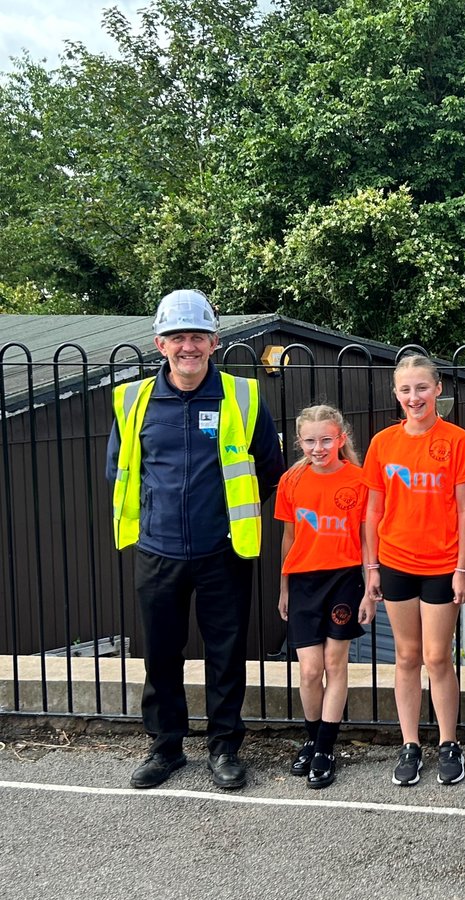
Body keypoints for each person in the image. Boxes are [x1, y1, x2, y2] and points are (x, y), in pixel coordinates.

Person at [108, 289, 285, 790]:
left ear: (214, 342)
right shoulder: (133, 400)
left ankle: (225, 747)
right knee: (160, 652)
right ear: (160, 344)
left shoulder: (244, 396)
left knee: (225, 652)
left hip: (222, 551)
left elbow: (269, 470)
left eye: (198, 336)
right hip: (157, 550)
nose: (188, 346)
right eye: (177, 337)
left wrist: (229, 521)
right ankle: (165, 747)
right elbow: (120, 471)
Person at [363, 355, 465, 787]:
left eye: (422, 388)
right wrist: (371, 567)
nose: (415, 397)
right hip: (394, 563)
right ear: (396, 394)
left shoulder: (458, 440)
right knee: (407, 657)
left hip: (442, 564)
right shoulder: (382, 443)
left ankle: (449, 741)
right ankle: (410, 743)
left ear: (438, 390)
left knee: (436, 656)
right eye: (406, 390)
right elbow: (373, 509)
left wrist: (463, 567)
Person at [275, 405, 375, 789]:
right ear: (300, 442)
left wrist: (369, 587)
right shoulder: (292, 480)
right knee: (309, 669)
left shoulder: (359, 479)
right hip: (303, 581)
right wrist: (284, 587)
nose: (319, 447)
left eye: (326, 439)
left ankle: (324, 749)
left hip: (344, 579)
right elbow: (288, 538)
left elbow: (367, 538)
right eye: (310, 440)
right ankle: (311, 736)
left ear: (341, 439)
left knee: (335, 663)